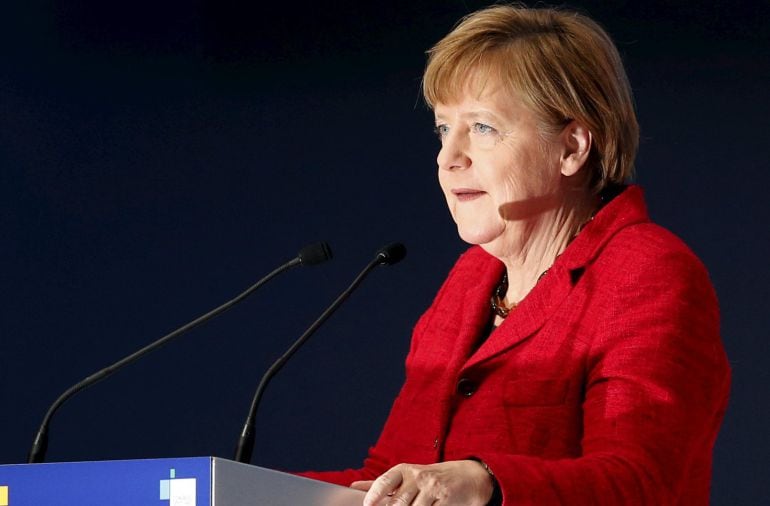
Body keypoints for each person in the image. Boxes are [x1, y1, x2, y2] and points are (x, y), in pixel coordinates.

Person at [300, 4, 730, 505]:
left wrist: (488, 483)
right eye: (443, 128)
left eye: (482, 127)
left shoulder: (647, 272)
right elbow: (388, 479)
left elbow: (642, 484)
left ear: (571, 147)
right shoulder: (471, 280)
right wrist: (233, 491)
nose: (448, 156)